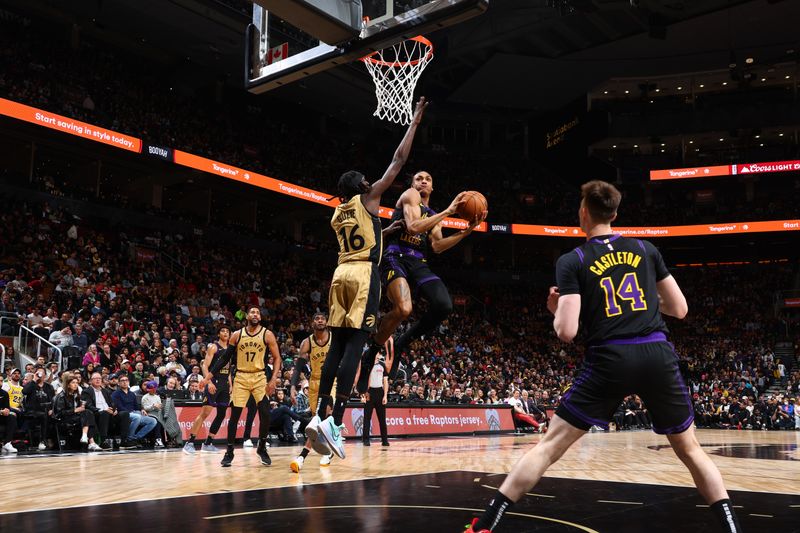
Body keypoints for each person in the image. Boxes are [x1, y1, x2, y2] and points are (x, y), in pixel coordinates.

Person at [466, 180, 742, 533]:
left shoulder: (573, 259)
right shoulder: (645, 249)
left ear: (584, 212)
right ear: (615, 213)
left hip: (611, 357)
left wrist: (555, 309)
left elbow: (567, 331)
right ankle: (732, 528)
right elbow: (680, 309)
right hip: (656, 352)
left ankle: (485, 524)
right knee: (691, 451)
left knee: (549, 447)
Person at [315, 97, 429, 460]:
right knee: (355, 344)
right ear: (361, 185)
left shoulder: (338, 213)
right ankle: (336, 421)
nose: (370, 181)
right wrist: (413, 123)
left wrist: (387, 230)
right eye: (365, 180)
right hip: (364, 274)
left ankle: (319, 414)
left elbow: (366, 233)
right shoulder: (369, 196)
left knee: (336, 343)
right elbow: (398, 162)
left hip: (340, 274)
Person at [357, 168, 487, 391]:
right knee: (404, 309)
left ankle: (402, 342)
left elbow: (437, 246)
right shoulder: (410, 196)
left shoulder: (434, 213)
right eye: (419, 178)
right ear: (413, 184)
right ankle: (373, 351)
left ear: (432, 187)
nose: (423, 181)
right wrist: (448, 211)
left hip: (419, 261)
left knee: (444, 305)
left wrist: (467, 231)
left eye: (428, 179)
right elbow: (414, 227)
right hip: (395, 256)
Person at [203, 307, 282, 467]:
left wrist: (273, 378)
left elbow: (277, 357)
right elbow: (224, 358)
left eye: (258, 313)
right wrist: (208, 377)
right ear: (247, 316)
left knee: (265, 412)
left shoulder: (267, 334)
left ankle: (261, 447)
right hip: (241, 377)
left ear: (260, 317)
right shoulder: (237, 335)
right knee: (235, 416)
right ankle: (230, 451)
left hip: (259, 376)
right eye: (252, 312)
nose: (255, 314)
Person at [290, 313, 335, 472]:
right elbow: (299, 366)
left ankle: (302, 456)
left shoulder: (334, 338)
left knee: (324, 414)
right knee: (318, 419)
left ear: (327, 322)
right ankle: (329, 449)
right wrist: (293, 386)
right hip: (315, 381)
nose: (320, 320)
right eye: (317, 318)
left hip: (332, 380)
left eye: (323, 318)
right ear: (312, 323)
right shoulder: (306, 342)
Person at [184, 325, 232, 455]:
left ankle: (208, 443)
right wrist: (209, 382)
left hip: (224, 385)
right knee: (205, 413)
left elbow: (228, 370)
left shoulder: (230, 349)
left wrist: (230, 385)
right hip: (214, 382)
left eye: (227, 331)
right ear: (218, 334)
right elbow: (204, 366)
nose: (225, 333)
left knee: (221, 414)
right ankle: (189, 443)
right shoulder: (214, 347)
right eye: (223, 331)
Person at [53, 375, 101, 451]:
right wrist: (75, 410)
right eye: (73, 383)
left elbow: (81, 409)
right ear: (68, 385)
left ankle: (86, 438)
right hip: (65, 419)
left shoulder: (77, 395)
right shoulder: (62, 396)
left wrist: (81, 408)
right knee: (88, 415)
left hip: (77, 417)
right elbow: (60, 413)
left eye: (77, 383)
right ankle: (90, 441)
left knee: (88, 412)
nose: (76, 384)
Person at [111, 374, 157, 448]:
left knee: (153, 421)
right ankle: (129, 438)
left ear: (128, 382)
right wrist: (132, 412)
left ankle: (135, 438)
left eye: (126, 380)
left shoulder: (132, 394)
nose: (125, 382)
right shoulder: (115, 394)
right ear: (119, 383)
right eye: (122, 381)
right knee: (137, 417)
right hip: (123, 414)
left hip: (135, 413)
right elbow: (118, 407)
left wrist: (142, 409)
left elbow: (136, 406)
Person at [362, 353, 390, 446]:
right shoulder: (367, 364)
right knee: (367, 418)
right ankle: (366, 440)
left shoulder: (382, 365)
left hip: (380, 392)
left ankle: (385, 440)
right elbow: (364, 379)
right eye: (377, 352)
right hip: (369, 392)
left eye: (379, 353)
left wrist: (385, 395)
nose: (378, 354)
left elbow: (385, 381)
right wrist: (363, 394)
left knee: (382, 419)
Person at [0, 373, 19, 453]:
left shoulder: (4, 393)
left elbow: (7, 407)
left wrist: (7, 411)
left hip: (1, 416)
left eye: (1, 381)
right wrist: (1, 411)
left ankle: (7, 443)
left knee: (12, 417)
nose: (0, 383)